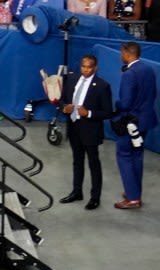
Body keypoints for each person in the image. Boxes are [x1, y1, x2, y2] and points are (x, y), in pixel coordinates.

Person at [58, 54, 113, 211]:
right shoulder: (72, 79)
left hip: (90, 130)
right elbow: (63, 99)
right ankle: (77, 192)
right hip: (74, 127)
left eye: (89, 67)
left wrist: (88, 113)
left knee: (93, 164)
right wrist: (64, 107)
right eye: (83, 66)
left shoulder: (102, 86)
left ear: (95, 68)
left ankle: (95, 198)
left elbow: (108, 112)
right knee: (77, 161)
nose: (86, 69)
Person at [114, 42, 157, 209]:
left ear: (127, 53)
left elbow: (125, 103)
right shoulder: (148, 69)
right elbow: (152, 94)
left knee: (124, 155)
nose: (120, 56)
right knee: (137, 156)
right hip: (146, 120)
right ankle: (134, 191)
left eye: (121, 52)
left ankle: (132, 198)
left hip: (131, 122)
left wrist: (116, 104)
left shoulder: (129, 74)